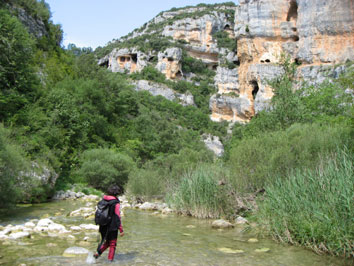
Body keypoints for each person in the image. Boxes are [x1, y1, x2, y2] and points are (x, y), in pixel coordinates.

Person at [93, 185, 124, 262]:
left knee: (107, 242)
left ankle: (97, 253)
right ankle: (110, 261)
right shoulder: (116, 203)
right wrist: (121, 229)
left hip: (103, 225)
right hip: (112, 226)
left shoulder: (103, 200)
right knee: (113, 244)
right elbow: (117, 216)